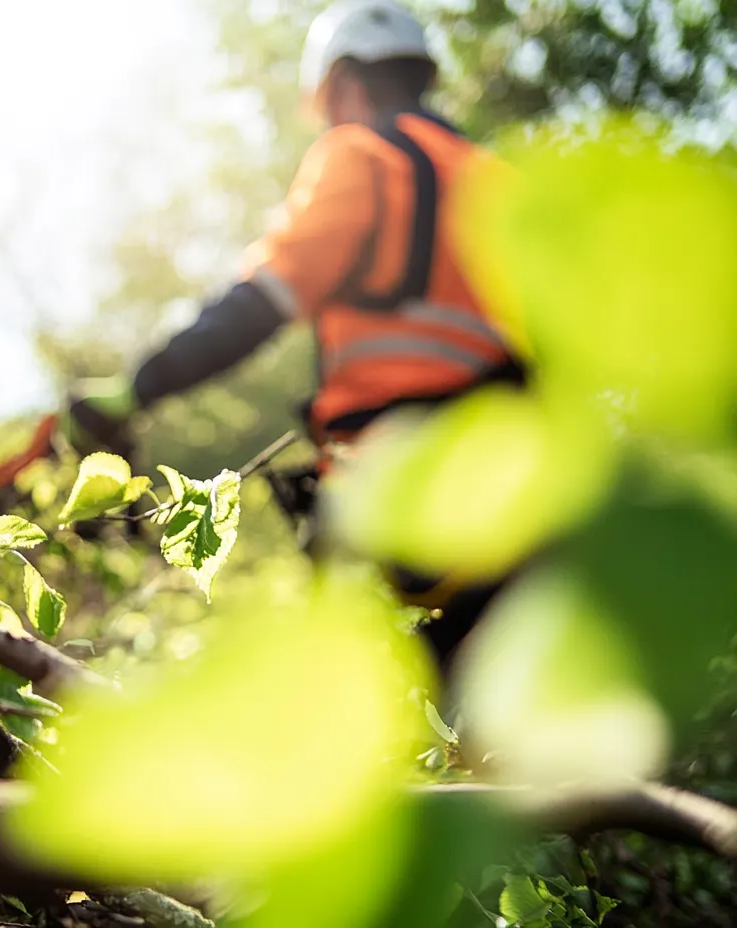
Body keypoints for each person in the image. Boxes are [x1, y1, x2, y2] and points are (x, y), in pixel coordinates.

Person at [63, 0, 527, 674]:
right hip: (516, 488)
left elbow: (261, 303)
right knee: (492, 724)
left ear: (341, 82)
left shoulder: (360, 153)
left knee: (364, 714)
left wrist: (138, 388)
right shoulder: (499, 182)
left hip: (386, 483)